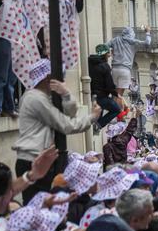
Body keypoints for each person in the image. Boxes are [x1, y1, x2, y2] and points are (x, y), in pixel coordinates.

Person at [13, 59, 99, 201]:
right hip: (34, 160)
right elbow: (65, 124)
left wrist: (65, 94)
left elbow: (70, 113)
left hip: (41, 159)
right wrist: (91, 118)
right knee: (41, 204)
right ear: (48, 78)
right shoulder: (35, 99)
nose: (62, 80)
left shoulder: (44, 98)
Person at [107, 26, 152, 97]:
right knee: (119, 94)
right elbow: (147, 43)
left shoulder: (115, 40)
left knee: (115, 93)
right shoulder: (133, 42)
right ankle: (117, 108)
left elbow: (105, 46)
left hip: (114, 69)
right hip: (125, 69)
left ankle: (115, 107)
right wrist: (148, 32)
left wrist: (108, 53)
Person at [88, 44, 121, 130]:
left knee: (100, 110)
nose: (109, 55)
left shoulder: (89, 63)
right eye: (108, 53)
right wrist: (116, 94)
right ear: (104, 54)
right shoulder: (105, 66)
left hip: (91, 94)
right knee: (117, 109)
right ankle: (98, 125)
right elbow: (109, 85)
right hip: (101, 97)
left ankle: (96, 124)